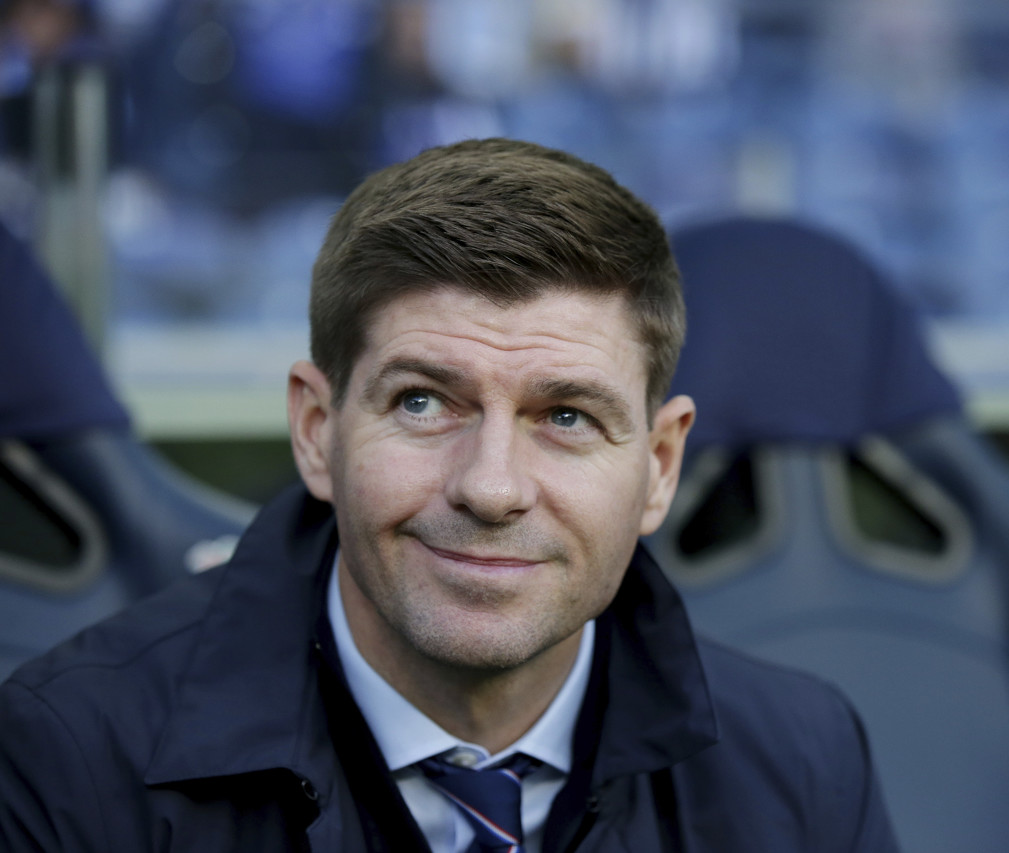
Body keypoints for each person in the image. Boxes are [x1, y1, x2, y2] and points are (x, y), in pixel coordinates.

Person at [0, 138, 899, 852]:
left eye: (567, 416)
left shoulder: (802, 766)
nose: (491, 487)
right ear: (316, 430)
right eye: (423, 403)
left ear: (660, 465)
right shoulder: (66, 758)